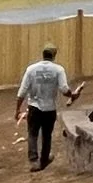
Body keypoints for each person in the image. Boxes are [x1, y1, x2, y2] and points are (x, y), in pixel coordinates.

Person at [15, 43, 80, 172]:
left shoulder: (31, 69)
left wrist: (17, 109)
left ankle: (34, 160)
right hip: (50, 108)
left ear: (43, 54)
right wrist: (72, 95)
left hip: (34, 106)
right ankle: (44, 159)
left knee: (32, 133)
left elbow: (22, 91)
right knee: (47, 134)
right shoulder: (58, 70)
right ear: (54, 55)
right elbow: (64, 89)